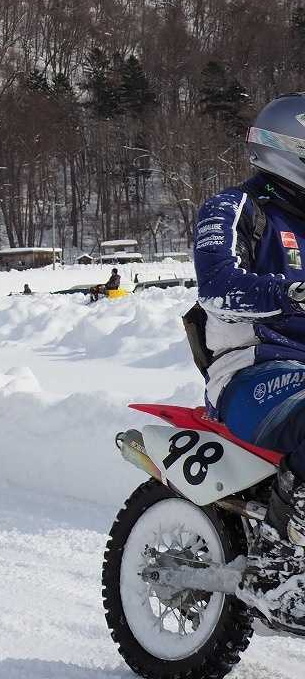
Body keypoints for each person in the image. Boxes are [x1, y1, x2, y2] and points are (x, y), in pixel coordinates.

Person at [192, 95, 305, 552]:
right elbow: (217, 285)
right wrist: (290, 293)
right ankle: (288, 534)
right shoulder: (235, 207)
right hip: (253, 368)